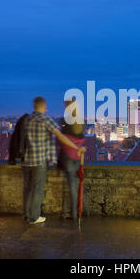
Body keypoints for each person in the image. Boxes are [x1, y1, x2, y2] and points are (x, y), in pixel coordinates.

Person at [22, 96, 85, 224]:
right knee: (37, 189)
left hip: (26, 160)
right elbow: (60, 137)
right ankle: (34, 217)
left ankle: (27, 214)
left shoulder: (27, 120)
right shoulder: (46, 120)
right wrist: (76, 147)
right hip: (39, 160)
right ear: (43, 107)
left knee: (27, 188)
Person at [58, 98, 88, 219]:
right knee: (78, 184)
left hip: (67, 156)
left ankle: (74, 214)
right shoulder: (80, 121)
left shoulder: (66, 120)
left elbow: (62, 138)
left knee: (71, 187)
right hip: (78, 156)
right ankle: (84, 210)